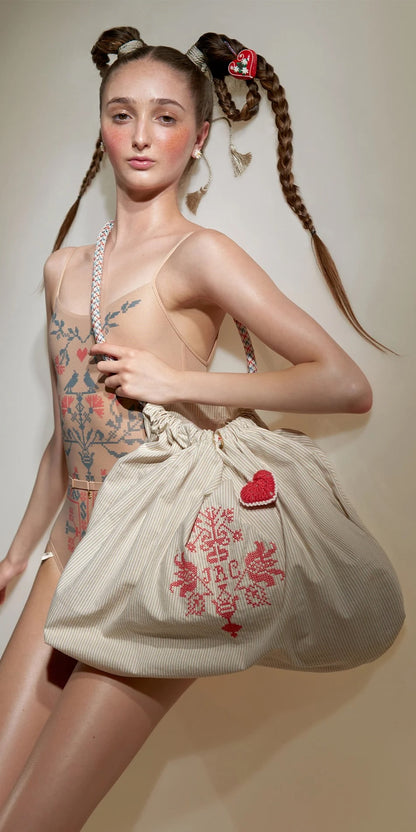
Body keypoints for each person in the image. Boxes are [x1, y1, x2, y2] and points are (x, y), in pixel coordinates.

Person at [0, 26, 403, 831]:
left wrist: (179, 380)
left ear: (200, 137)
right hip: (69, 555)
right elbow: (69, 429)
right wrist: (18, 553)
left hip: (149, 564)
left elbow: (344, 384)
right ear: (100, 126)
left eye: (165, 117)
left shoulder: (201, 254)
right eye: (121, 114)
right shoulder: (64, 267)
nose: (140, 135)